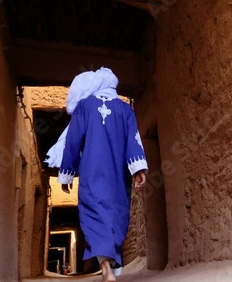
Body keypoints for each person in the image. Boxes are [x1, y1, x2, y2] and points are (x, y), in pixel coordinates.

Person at [45, 68, 148, 282]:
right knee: (116, 215)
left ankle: (106, 267)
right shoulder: (125, 110)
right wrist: (138, 169)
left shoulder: (84, 107)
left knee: (94, 215)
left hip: (92, 174)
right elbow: (133, 139)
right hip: (118, 176)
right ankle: (108, 265)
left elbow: (73, 142)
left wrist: (66, 174)